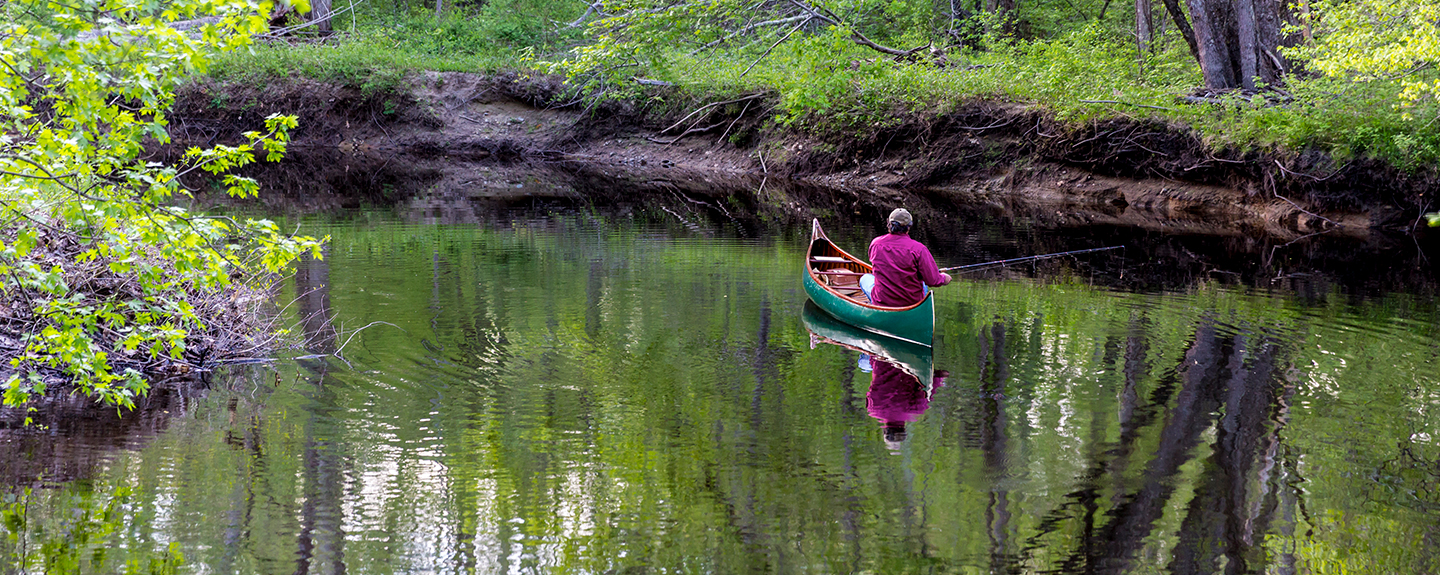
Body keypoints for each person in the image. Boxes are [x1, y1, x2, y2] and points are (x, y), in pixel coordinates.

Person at [863, 208, 951, 306]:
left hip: (883, 302)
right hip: (911, 304)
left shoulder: (876, 244)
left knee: (865, 278)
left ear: (889, 223)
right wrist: (944, 278)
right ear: (908, 227)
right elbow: (933, 280)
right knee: (923, 284)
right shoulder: (919, 249)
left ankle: (873, 305)